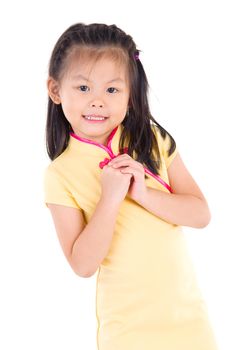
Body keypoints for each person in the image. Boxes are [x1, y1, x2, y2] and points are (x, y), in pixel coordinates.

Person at [43, 22, 219, 350]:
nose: (97, 102)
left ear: (130, 92)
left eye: (112, 90)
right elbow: (82, 264)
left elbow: (200, 214)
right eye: (83, 88)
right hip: (128, 332)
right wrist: (110, 199)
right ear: (55, 90)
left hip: (187, 320)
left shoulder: (152, 139)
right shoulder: (60, 174)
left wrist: (143, 193)